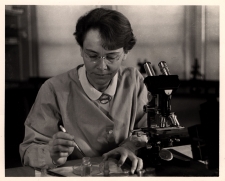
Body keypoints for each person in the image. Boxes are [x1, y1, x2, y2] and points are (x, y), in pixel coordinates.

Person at [19, 8, 148, 174]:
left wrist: (130, 146)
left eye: (111, 57)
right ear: (81, 49)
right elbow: (28, 150)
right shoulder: (53, 89)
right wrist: (50, 153)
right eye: (92, 56)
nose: (102, 67)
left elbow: (149, 131)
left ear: (125, 53)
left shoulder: (135, 81)